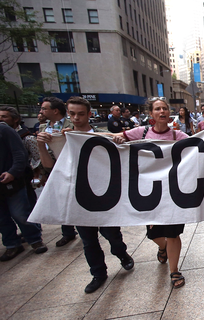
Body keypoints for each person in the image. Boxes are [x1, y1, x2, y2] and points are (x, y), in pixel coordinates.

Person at [38, 97, 134, 293]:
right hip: (78, 197)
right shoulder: (61, 138)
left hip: (105, 195)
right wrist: (41, 145)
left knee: (111, 234)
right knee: (88, 240)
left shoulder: (103, 136)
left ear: (89, 115)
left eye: (81, 114)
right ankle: (98, 273)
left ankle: (121, 253)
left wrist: (118, 139)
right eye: (72, 114)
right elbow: (49, 166)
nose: (76, 118)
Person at [110, 96, 188, 289]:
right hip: (149, 192)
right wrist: (119, 137)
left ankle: (174, 270)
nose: (162, 112)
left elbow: (201, 145)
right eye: (158, 109)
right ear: (151, 113)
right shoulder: (141, 132)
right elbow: (117, 137)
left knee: (172, 232)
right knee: (153, 234)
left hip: (172, 192)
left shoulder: (177, 136)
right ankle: (163, 248)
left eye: (165, 108)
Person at [0, 117, 47, 261]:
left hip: (11, 181)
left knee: (20, 213)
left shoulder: (4, 130)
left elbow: (20, 154)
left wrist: (13, 172)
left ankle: (34, 239)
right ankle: (11, 244)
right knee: (2, 218)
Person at [38, 97, 77, 247]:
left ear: (55, 110)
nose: (41, 111)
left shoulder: (72, 125)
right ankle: (67, 232)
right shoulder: (43, 127)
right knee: (61, 200)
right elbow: (43, 154)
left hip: (71, 168)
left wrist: (73, 134)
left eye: (44, 108)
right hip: (53, 168)